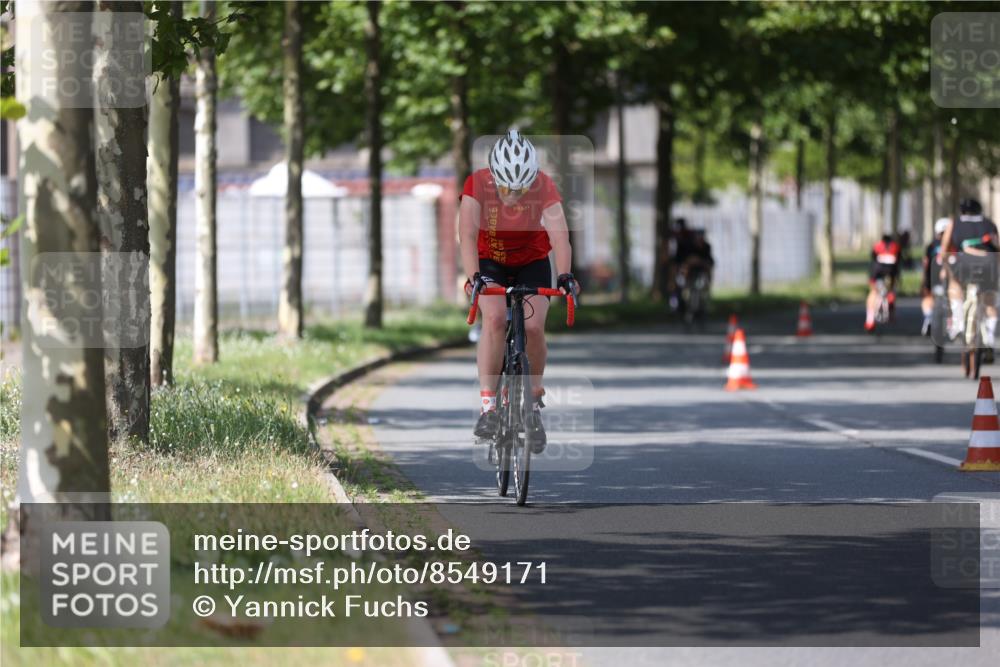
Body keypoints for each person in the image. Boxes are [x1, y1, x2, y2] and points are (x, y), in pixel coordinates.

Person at [459, 130, 578, 452]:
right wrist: (474, 277)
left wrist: (565, 275)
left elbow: (559, 237)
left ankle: (534, 398)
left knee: (534, 326)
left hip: (532, 261)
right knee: (496, 320)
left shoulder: (544, 186)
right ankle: (488, 408)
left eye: (521, 188)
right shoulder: (477, 184)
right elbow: (467, 235)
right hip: (490, 262)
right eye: (506, 187)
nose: (513, 194)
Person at [939, 198, 999, 344]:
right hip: (988, 263)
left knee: (955, 284)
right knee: (989, 298)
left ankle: (958, 323)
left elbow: (945, 248)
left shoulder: (955, 222)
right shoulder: (989, 223)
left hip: (964, 262)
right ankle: (989, 337)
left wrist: (944, 266)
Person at [864, 233, 901, 332]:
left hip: (877, 271)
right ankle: (891, 304)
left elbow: (873, 259)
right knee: (891, 289)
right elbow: (899, 261)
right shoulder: (896, 246)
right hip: (891, 272)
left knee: (873, 293)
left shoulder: (877, 246)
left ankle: (870, 320)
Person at [920, 218, 951, 336]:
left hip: (932, 277)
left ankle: (928, 317)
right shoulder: (953, 244)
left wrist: (924, 282)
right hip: (949, 278)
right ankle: (951, 323)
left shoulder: (931, 245)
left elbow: (925, 264)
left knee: (927, 299)